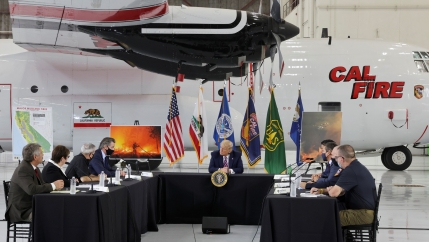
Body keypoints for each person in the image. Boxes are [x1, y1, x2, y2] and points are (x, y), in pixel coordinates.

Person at [311, 145, 376, 226]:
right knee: (330, 211)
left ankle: (339, 238)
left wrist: (331, 190)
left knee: (325, 217)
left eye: (335, 158)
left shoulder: (350, 171)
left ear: (341, 159)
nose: (334, 160)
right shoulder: (356, 167)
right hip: (363, 211)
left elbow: (333, 193)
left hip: (363, 214)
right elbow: (342, 191)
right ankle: (345, 238)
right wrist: (323, 190)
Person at [5, 143, 64, 222]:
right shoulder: (23, 169)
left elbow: (42, 185)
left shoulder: (33, 167)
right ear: (35, 157)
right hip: (22, 211)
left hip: (31, 206)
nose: (43, 154)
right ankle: (45, 234)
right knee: (51, 214)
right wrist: (53, 185)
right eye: (41, 153)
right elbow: (31, 189)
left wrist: (55, 187)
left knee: (57, 209)